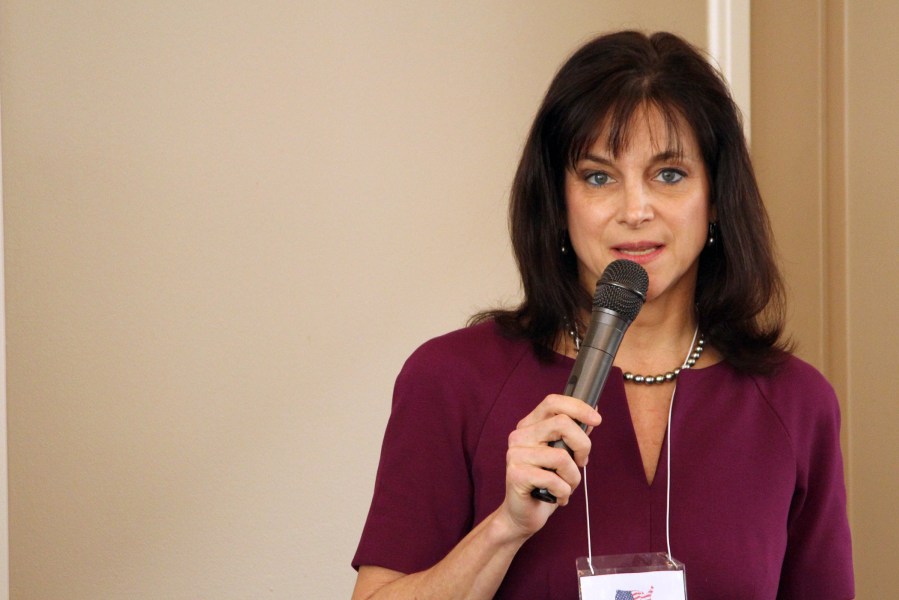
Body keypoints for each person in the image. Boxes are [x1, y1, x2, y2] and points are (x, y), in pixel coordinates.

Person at [351, 30, 854, 599]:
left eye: (669, 174)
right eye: (598, 176)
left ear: (715, 197)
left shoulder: (795, 403)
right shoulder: (451, 380)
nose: (635, 210)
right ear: (558, 202)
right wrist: (504, 529)